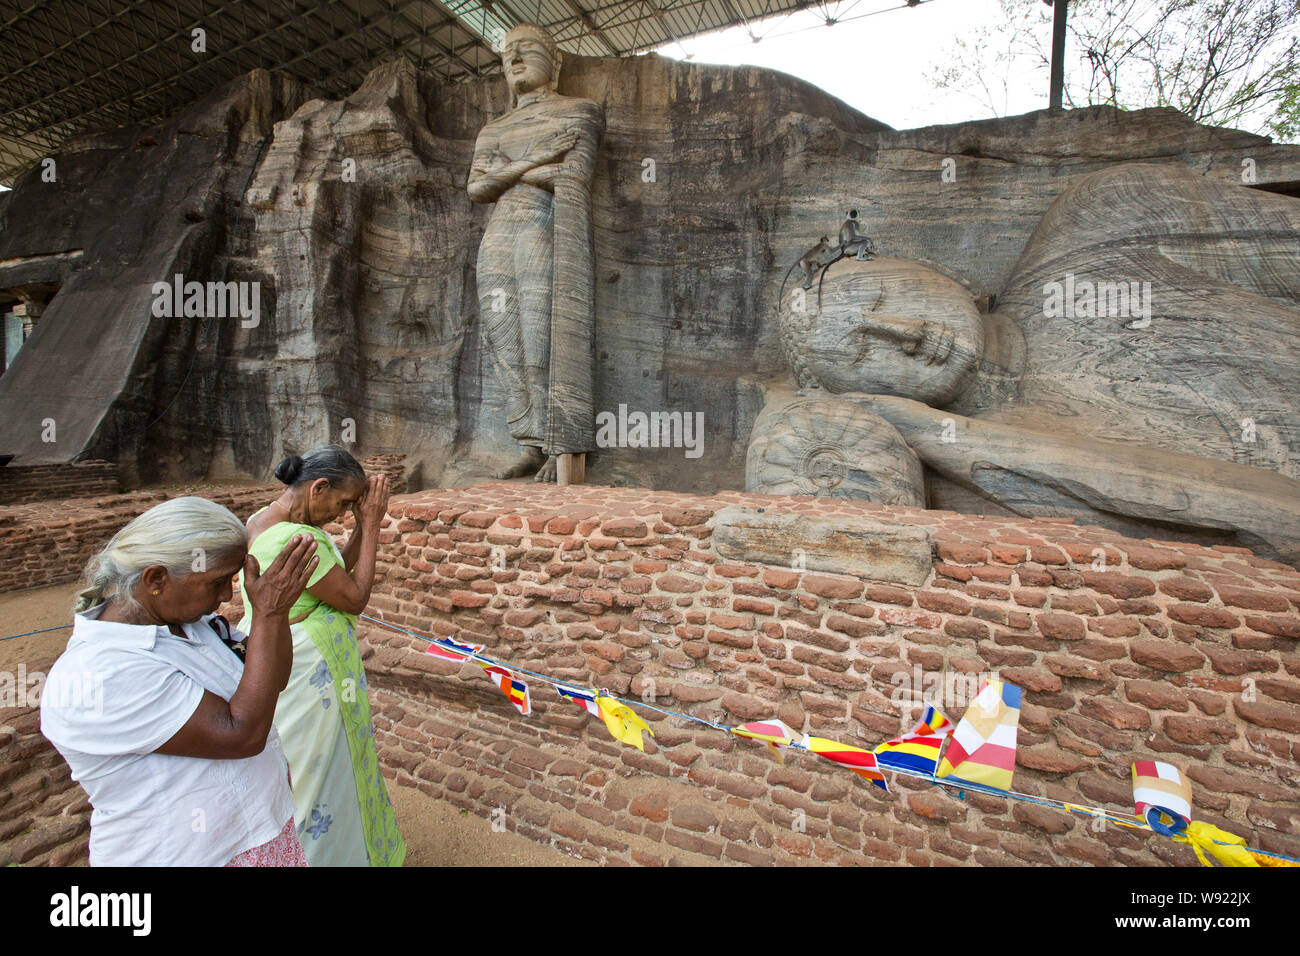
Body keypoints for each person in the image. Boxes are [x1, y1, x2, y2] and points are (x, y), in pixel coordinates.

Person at [40, 496, 319, 866]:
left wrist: (277, 614)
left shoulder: (193, 628)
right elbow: (241, 733)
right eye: (218, 582)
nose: (226, 596)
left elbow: (274, 679)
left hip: (259, 835)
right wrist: (268, 613)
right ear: (156, 579)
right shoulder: (99, 673)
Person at [239, 445, 405, 866]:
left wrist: (361, 533)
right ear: (319, 487)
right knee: (318, 779)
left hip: (280, 659)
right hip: (305, 675)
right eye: (343, 502)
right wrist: (371, 526)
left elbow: (330, 572)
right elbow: (353, 595)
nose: (344, 512)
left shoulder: (264, 520)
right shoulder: (293, 537)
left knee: (301, 770)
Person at [468, 23, 605, 483]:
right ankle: (528, 440)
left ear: (556, 61)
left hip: (542, 230)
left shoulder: (579, 113)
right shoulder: (493, 129)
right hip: (499, 238)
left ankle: (558, 442)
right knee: (504, 339)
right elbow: (477, 188)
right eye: (507, 53)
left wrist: (509, 171)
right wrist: (535, 160)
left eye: (526, 50)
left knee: (541, 333)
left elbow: (573, 177)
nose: (514, 58)